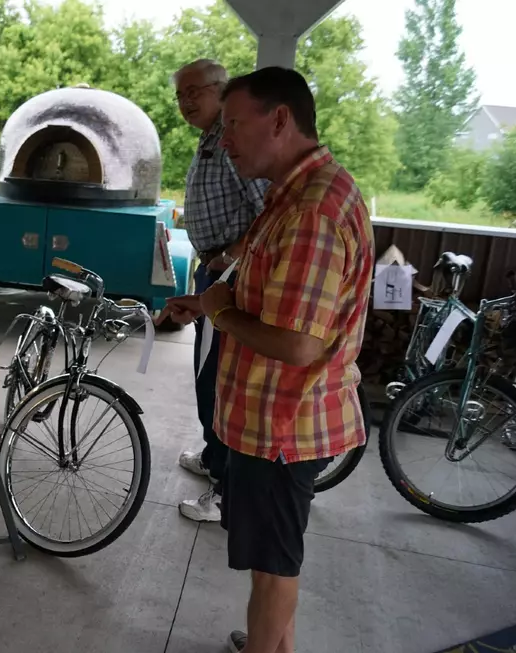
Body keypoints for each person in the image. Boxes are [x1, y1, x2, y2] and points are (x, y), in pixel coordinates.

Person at [161, 67, 374, 653]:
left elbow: (300, 343)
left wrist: (223, 315)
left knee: (276, 567)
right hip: (272, 420)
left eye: (234, 124)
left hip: (284, 424)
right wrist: (206, 305)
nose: (224, 139)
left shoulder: (312, 211)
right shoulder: (296, 194)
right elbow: (263, 294)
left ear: (279, 119)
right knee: (269, 562)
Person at [170, 58, 269, 522]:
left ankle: (227, 490)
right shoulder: (210, 140)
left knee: (222, 381)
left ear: (221, 89)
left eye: (195, 92)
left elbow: (266, 211)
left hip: (231, 274)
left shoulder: (233, 145)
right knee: (207, 373)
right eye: (180, 95)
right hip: (212, 269)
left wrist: (229, 257)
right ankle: (214, 459)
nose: (186, 102)